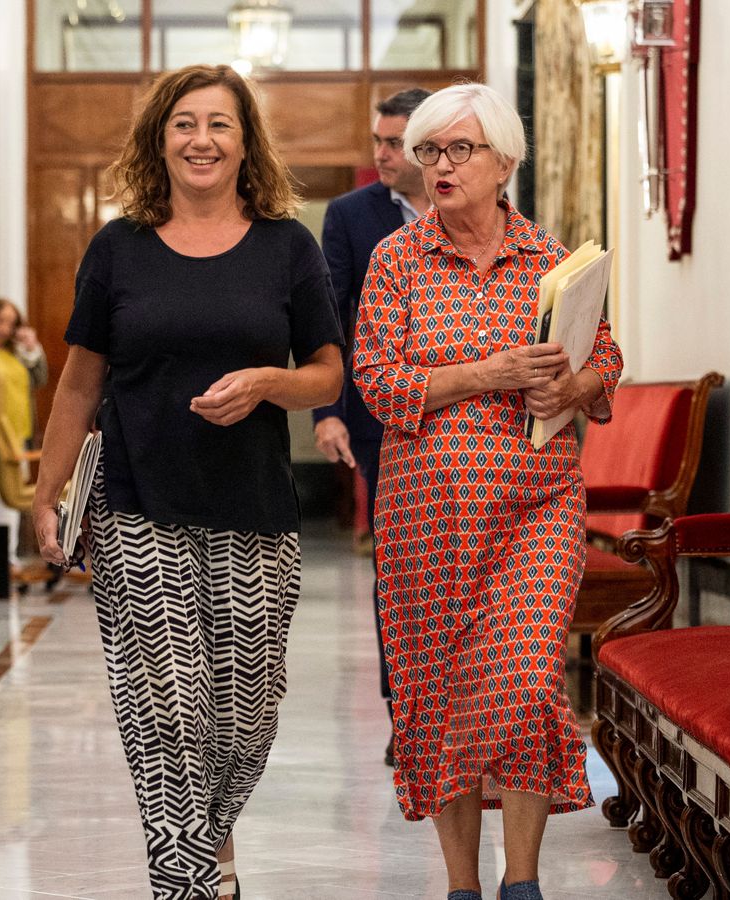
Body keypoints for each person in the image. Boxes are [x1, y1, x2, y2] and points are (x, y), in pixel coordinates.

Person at [32, 64, 343, 900]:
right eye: (184, 123)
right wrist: (47, 491)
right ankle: (190, 883)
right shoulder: (117, 248)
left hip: (255, 510)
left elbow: (327, 374)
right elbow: (77, 382)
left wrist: (269, 384)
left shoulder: (288, 247)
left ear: (246, 144)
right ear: (158, 139)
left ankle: (212, 860)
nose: (200, 139)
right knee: (167, 712)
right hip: (139, 506)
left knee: (244, 720)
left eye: (219, 125)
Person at [352, 82, 623, 900]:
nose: (438, 165)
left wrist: (572, 390)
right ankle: (464, 885)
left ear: (505, 159)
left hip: (537, 505)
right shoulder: (395, 261)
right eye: (427, 150)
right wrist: (490, 374)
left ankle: (526, 881)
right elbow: (375, 380)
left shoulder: (553, 258)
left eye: (458, 150)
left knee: (529, 679)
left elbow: (604, 358)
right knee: (436, 694)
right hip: (426, 518)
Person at [311, 86, 431, 764]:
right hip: (380, 418)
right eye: (378, 141)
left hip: (470, 420)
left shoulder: (469, 202)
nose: (380, 154)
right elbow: (331, 319)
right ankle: (406, 713)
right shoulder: (351, 216)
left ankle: (469, 710)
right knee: (401, 568)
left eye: (393, 143)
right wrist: (329, 413)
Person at [0, 298, 46, 534]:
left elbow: (39, 378)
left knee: (14, 498)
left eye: (11, 323)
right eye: (0, 321)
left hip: (19, 433)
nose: (5, 329)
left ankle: (10, 558)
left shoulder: (14, 353)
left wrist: (31, 346)